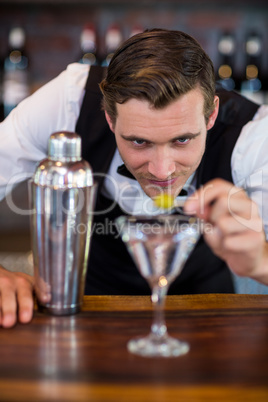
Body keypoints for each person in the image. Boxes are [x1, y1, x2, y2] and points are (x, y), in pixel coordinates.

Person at [0, 28, 268, 328]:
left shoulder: (254, 137)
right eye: (139, 142)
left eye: (182, 140)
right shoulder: (67, 102)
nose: (162, 170)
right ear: (110, 118)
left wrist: (261, 263)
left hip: (205, 315)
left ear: (211, 115)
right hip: (87, 310)